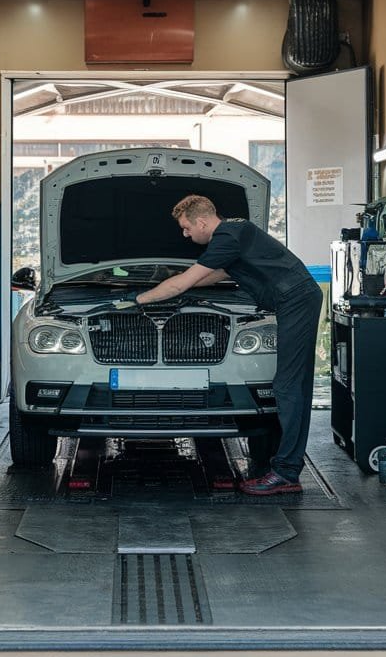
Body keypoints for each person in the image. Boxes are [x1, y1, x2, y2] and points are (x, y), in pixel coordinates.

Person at [117, 194, 323, 495]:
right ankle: (286, 469)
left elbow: (186, 282)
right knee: (293, 386)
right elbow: (214, 275)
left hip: (296, 300)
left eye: (187, 228)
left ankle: (286, 473)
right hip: (295, 299)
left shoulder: (226, 237)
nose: (185, 235)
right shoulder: (234, 232)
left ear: (202, 221)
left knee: (288, 387)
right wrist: (172, 284)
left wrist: (137, 299)